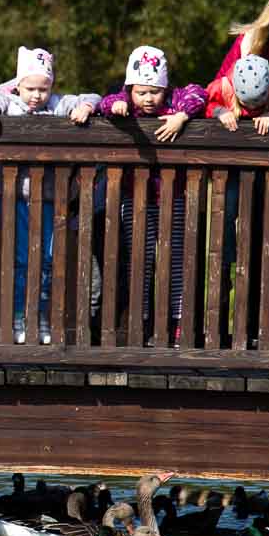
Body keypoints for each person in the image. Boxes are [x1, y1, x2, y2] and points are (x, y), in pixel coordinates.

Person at [0, 46, 99, 345]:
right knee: (21, 260)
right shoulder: (8, 101)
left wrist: (86, 109)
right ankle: (18, 316)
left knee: (48, 261)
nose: (37, 95)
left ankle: (41, 318)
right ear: (18, 85)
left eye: (43, 88)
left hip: (52, 198)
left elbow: (92, 97)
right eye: (30, 88)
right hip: (17, 197)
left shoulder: (57, 103)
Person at [94, 46, 208, 339]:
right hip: (136, 197)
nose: (148, 99)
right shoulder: (125, 101)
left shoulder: (176, 100)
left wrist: (181, 116)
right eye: (141, 92)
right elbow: (106, 102)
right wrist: (118, 105)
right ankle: (140, 320)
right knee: (138, 260)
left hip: (176, 196)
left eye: (155, 92)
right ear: (131, 89)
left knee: (177, 260)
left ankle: (177, 321)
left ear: (165, 88)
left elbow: (200, 93)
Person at [206, 53, 269, 134]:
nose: (252, 108)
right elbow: (202, 103)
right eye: (245, 103)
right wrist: (219, 111)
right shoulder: (223, 87)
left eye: (258, 104)